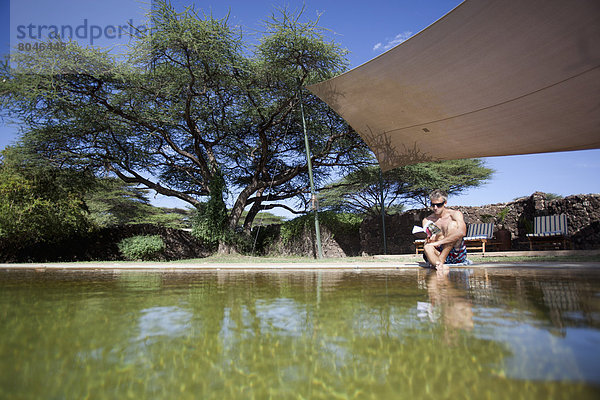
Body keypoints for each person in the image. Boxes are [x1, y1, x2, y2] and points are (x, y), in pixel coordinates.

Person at [422, 189, 468, 269]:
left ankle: (439, 263)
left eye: (439, 205)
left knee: (452, 225)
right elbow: (430, 239)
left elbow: (462, 232)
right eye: (433, 205)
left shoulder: (454, 214)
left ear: (445, 203)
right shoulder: (428, 220)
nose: (435, 208)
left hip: (455, 253)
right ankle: (440, 266)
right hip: (437, 253)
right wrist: (430, 239)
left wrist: (439, 242)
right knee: (427, 246)